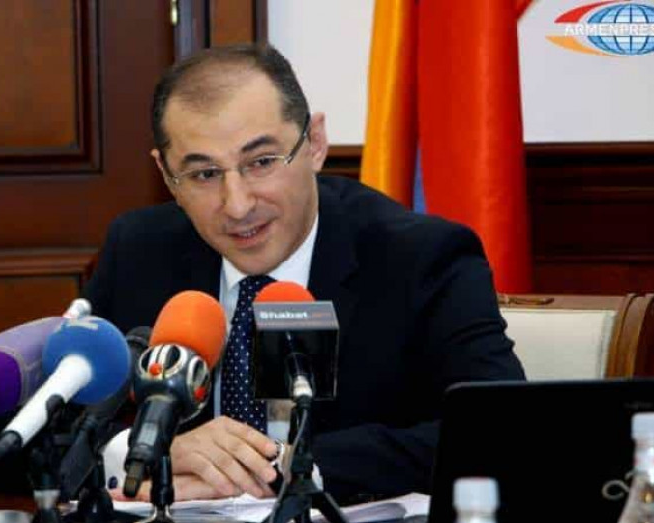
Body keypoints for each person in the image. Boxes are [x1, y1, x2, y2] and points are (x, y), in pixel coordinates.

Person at [82, 43, 525, 505]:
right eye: (205, 174)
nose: (238, 205)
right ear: (166, 174)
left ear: (314, 143)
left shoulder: (419, 258)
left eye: (261, 162)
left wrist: (283, 467)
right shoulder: (138, 252)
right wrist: (145, 451)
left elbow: (502, 431)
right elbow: (48, 429)